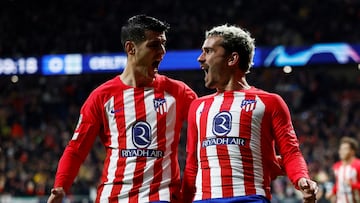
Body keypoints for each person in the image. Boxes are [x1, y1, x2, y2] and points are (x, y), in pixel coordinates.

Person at [47, 14, 197, 203]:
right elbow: (76, 149)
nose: (162, 51)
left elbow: (206, 128)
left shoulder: (179, 93)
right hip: (113, 197)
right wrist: (60, 186)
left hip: (161, 197)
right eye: (154, 45)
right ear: (130, 48)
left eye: (163, 44)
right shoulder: (102, 96)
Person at [181, 24, 318, 203]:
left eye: (208, 51)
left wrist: (301, 178)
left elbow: (290, 151)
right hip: (203, 199)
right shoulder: (198, 106)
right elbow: (192, 165)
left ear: (232, 59)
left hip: (250, 198)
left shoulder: (269, 102)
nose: (200, 58)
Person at [326, 136, 360, 203]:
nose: (341, 152)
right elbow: (338, 183)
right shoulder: (336, 166)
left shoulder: (358, 165)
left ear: (352, 151)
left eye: (345, 149)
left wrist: (353, 185)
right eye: (341, 149)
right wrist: (332, 192)